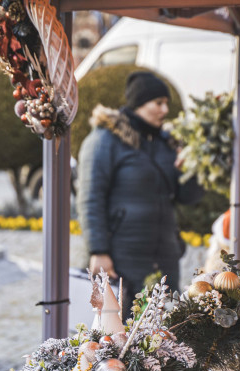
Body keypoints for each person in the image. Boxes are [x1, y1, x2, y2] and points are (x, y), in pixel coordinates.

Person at [77, 71, 203, 316]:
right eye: (158, 103)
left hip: (165, 255)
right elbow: (91, 198)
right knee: (122, 329)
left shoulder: (167, 143)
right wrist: (98, 251)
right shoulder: (105, 140)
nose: (165, 109)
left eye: (166, 103)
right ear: (139, 104)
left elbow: (188, 197)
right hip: (123, 256)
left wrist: (192, 168)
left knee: (165, 326)